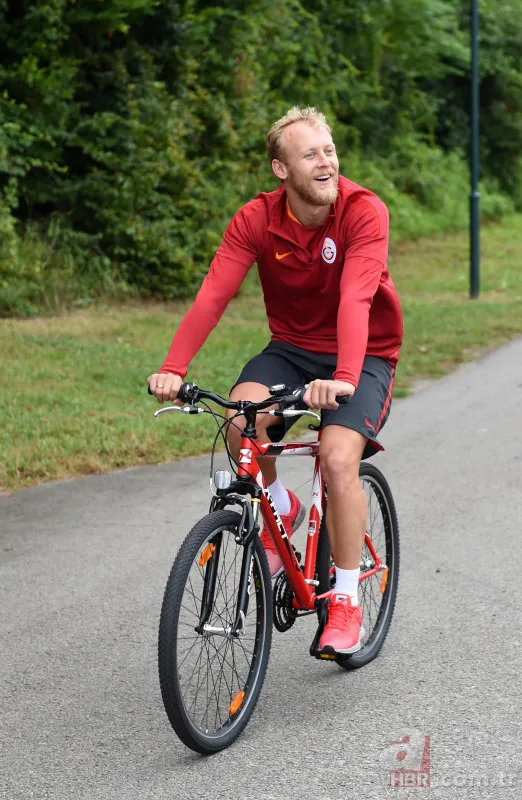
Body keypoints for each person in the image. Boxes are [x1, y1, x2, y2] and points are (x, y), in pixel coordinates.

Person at [148, 106, 403, 656]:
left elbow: (356, 300)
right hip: (290, 349)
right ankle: (281, 503)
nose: (325, 162)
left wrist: (341, 379)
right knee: (239, 423)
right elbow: (213, 295)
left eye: (329, 150)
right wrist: (174, 368)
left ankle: (344, 600)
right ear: (279, 169)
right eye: (309, 154)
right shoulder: (256, 220)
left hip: (364, 354)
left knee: (337, 460)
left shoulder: (363, 212)